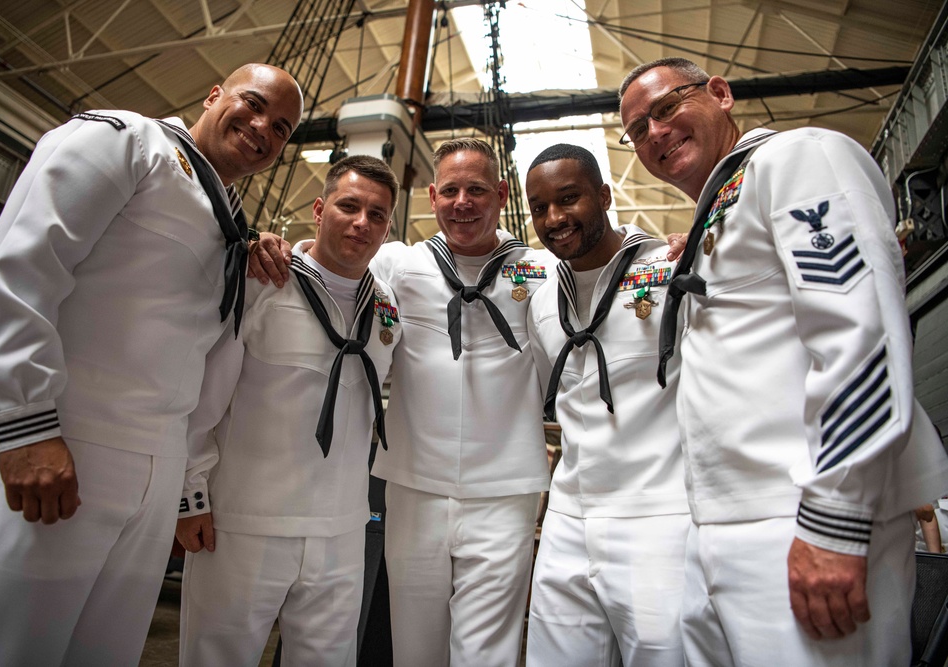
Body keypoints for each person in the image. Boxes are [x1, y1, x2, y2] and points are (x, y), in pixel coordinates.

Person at [0, 63, 303, 666]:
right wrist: (25, 423)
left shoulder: (227, 226)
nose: (263, 128)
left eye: (283, 128)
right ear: (214, 94)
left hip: (152, 470)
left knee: (101, 654)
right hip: (63, 443)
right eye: (253, 104)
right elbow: (21, 270)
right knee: (8, 649)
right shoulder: (126, 142)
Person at [618, 57, 948, 665]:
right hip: (719, 525)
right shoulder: (717, 212)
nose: (655, 133)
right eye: (638, 129)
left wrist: (835, 518)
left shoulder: (799, 157)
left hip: (799, 518)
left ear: (720, 93)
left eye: (666, 109)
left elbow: (858, 330)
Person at [250, 137, 556, 666]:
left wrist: (662, 243)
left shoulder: (540, 270)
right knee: (413, 646)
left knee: (488, 652)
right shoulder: (398, 263)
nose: (464, 202)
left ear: (502, 194)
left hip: (505, 492)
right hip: (414, 485)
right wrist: (282, 249)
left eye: (478, 190)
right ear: (433, 195)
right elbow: (333, 271)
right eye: (452, 190)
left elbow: (606, 270)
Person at [174, 155, 400, 666]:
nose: (362, 223)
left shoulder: (386, 306)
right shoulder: (262, 281)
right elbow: (201, 397)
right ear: (319, 209)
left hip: (342, 529)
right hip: (243, 523)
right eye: (349, 206)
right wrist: (189, 496)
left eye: (378, 215)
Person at [524, 143, 689, 666]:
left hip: (659, 515)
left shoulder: (671, 268)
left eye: (569, 198)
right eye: (539, 207)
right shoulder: (539, 293)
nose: (554, 218)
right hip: (569, 519)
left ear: (604, 194)